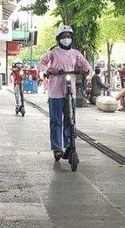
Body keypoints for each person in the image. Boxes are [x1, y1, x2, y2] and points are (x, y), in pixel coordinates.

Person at [37, 24, 92, 160]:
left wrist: (86, 70)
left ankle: (69, 145)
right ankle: (57, 148)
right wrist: (49, 70)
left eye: (68, 36)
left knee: (70, 119)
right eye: (63, 36)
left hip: (70, 91)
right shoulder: (53, 52)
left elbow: (87, 66)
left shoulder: (76, 53)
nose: (66, 38)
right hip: (55, 91)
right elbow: (40, 64)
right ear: (59, 38)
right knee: (56, 121)